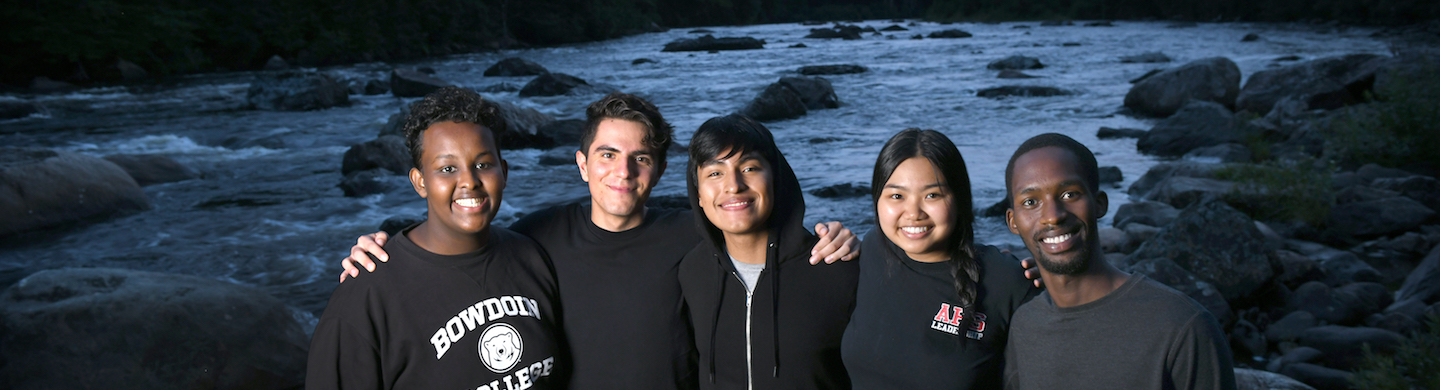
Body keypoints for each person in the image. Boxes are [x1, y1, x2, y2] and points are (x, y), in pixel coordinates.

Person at [339, 92, 860, 390]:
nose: (623, 172)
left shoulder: (694, 233)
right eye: (608, 155)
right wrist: (387, 244)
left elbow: (757, 229)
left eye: (641, 158)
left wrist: (832, 237)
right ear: (582, 165)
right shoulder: (534, 238)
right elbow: (463, 246)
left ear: (656, 172)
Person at [307, 87, 564, 389]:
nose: (469, 181)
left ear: (503, 172)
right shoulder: (367, 296)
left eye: (483, 164)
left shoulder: (532, 258)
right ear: (420, 182)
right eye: (447, 168)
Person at [1001, 133, 1236, 390]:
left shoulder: (1182, 327)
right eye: (1031, 202)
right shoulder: (1024, 326)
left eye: (1069, 194)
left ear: (1099, 204)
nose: (1053, 216)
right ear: (1013, 221)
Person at [841, 129, 1040, 389]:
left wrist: (1059, 281)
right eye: (896, 196)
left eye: (932, 195)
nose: (913, 213)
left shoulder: (1006, 280)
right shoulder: (871, 251)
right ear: (877, 199)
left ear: (960, 199)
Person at [678, 114, 859, 390]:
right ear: (699, 194)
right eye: (715, 173)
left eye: (749, 168)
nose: (733, 185)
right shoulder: (692, 272)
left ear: (775, 178)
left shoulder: (835, 267)